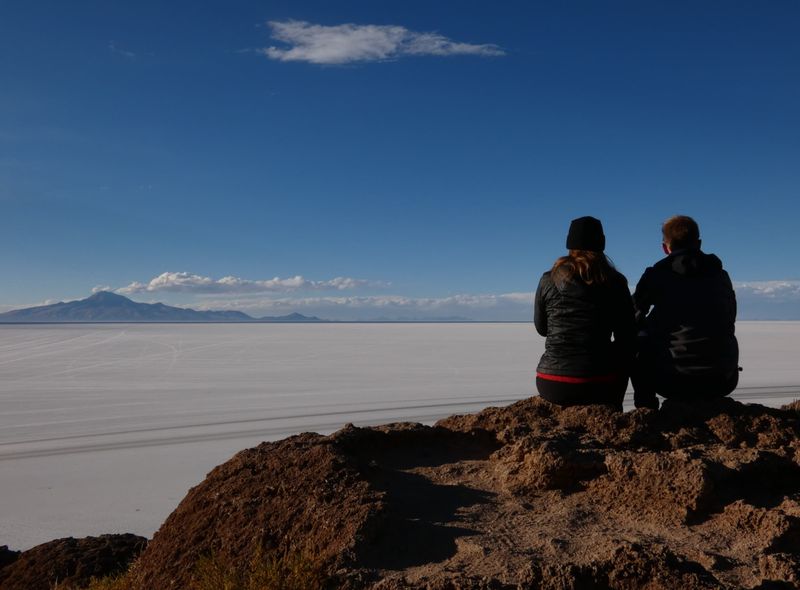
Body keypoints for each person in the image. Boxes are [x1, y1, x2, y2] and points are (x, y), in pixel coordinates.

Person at [632, 215, 739, 409]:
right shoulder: (721, 275)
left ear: (665, 247)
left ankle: (646, 410)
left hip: (673, 381)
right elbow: (730, 316)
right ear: (699, 244)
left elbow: (632, 317)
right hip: (723, 379)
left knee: (637, 341)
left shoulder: (656, 276)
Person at [534, 216, 636, 411]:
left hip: (551, 382)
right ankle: (615, 411)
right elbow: (627, 335)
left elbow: (542, 328)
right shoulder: (614, 281)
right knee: (628, 352)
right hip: (598, 383)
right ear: (602, 244)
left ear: (569, 244)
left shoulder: (548, 279)